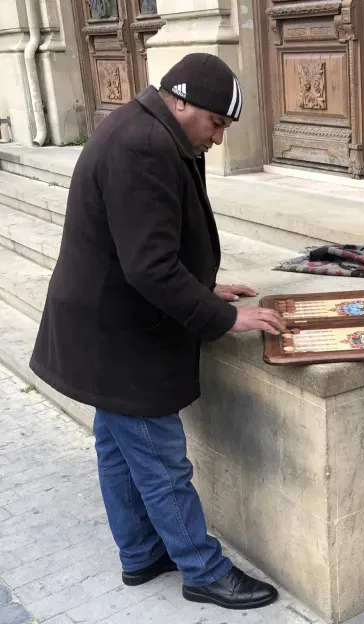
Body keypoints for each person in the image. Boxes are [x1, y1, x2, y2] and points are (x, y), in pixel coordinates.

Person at [30, 53, 288, 610]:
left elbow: (145, 245)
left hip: (106, 327)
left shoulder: (150, 130)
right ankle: (201, 568)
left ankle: (142, 553)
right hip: (120, 337)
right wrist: (223, 317)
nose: (219, 139)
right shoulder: (143, 145)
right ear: (181, 101)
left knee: (117, 449)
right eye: (216, 123)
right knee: (161, 459)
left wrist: (203, 286)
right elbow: (149, 266)